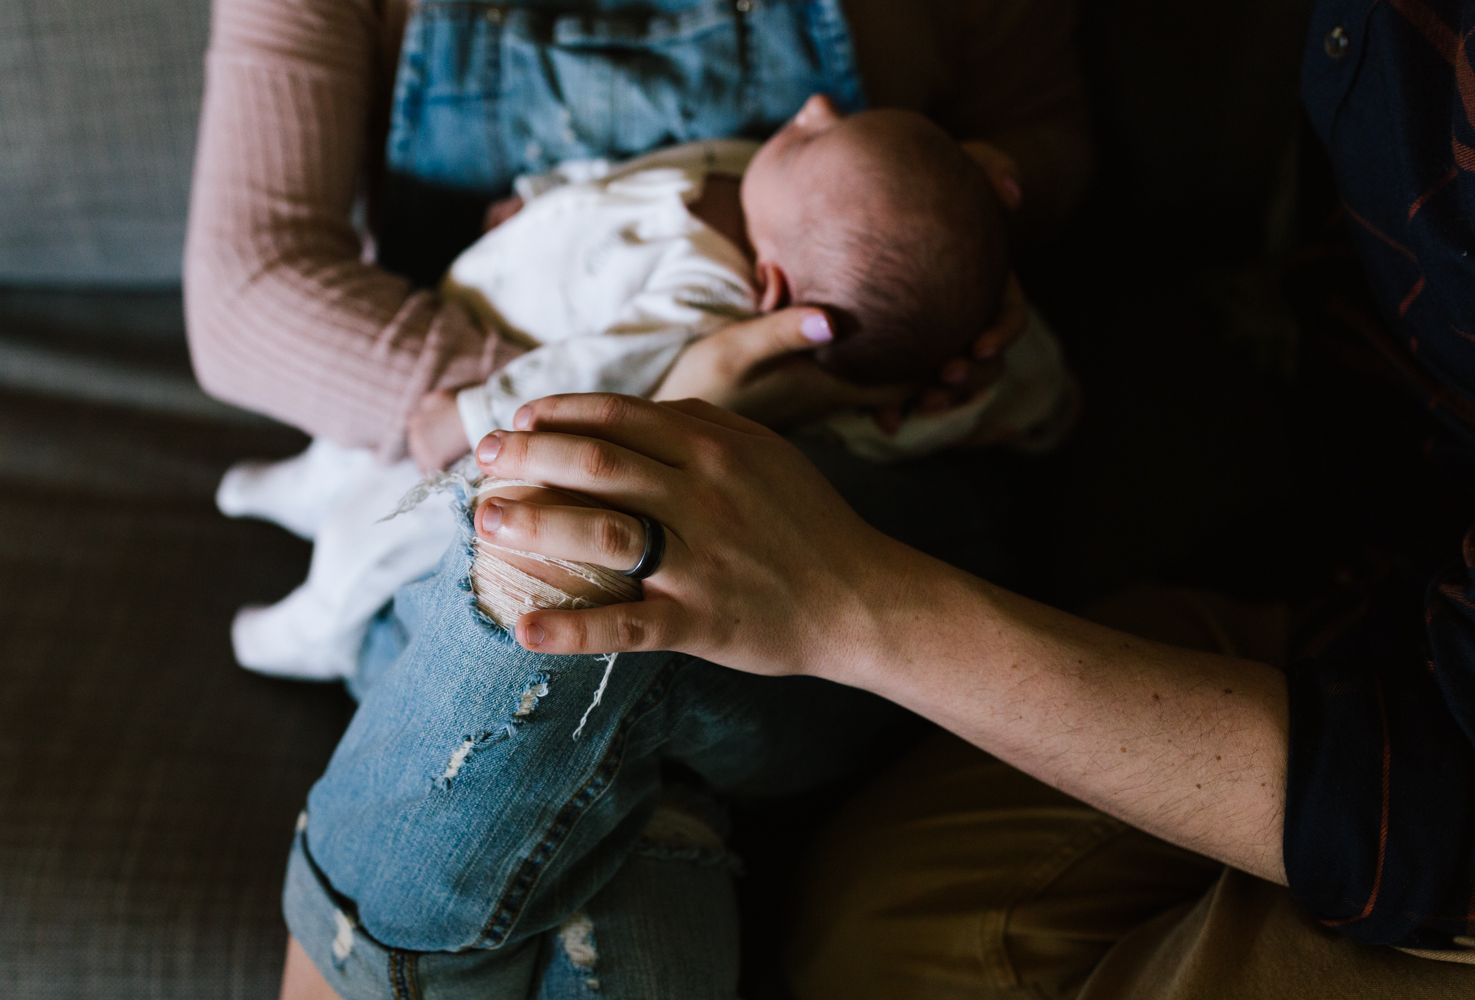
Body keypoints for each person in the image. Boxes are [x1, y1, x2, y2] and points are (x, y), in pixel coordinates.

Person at [430, 0, 1475, 993]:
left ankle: (359, 933)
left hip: (1434, 761)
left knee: (574, 597)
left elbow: (1431, 809)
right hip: (1372, 568)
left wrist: (852, 597)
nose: (811, 115)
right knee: (860, 936)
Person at [216, 99, 1068, 684]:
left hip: (493, 428)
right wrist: (542, 196)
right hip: (465, 302)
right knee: (340, 454)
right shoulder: (750, 179)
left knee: (380, 534)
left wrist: (473, 413)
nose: (813, 107)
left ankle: (313, 628)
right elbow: (626, 175)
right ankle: (294, 489)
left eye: (813, 141)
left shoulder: (701, 294)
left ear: (770, 289)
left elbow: (590, 372)